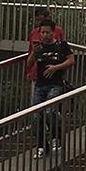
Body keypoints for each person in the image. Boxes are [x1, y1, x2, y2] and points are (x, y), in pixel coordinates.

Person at [26, 19, 74, 157]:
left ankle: (56, 136)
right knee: (36, 116)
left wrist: (56, 67)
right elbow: (28, 64)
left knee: (49, 111)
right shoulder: (39, 47)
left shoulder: (61, 45)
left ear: (53, 32)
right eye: (42, 32)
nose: (45, 35)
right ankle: (42, 145)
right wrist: (34, 53)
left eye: (47, 32)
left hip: (55, 84)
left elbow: (71, 60)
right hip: (40, 85)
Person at [26, 7, 66, 85]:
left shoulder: (58, 31)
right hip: (36, 72)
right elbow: (30, 51)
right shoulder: (34, 32)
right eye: (37, 20)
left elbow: (63, 51)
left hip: (53, 72)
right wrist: (28, 71)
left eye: (41, 20)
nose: (39, 22)